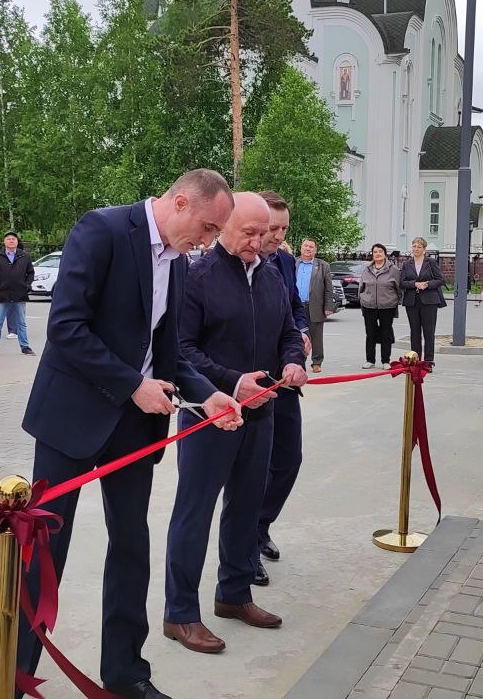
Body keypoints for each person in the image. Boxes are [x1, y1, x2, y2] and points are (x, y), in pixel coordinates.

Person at [17, 169, 242, 699]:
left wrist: (207, 392)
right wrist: (132, 385)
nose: (208, 242)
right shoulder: (101, 231)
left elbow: (167, 352)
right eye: (208, 228)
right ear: (181, 202)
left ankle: (125, 673)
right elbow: (66, 327)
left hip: (134, 427)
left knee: (131, 545)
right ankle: (17, 675)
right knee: (44, 547)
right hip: (71, 419)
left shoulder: (179, 262)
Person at [164, 192, 307, 656]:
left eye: (263, 233)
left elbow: (288, 331)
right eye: (248, 232)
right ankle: (180, 614)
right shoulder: (197, 277)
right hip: (210, 416)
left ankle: (234, 594)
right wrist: (228, 382)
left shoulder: (269, 276)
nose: (258, 241)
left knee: (246, 506)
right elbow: (180, 349)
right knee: (194, 511)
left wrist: (292, 361)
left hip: (261, 412)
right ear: (224, 225)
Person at [253, 190, 311, 587]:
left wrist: (302, 333)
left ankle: (260, 525)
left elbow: (295, 307)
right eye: (272, 228)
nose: (276, 236)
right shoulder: (241, 261)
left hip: (286, 380)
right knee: (250, 470)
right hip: (248, 384)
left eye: (283, 228)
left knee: (289, 460)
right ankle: (243, 546)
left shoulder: (286, 261)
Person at [0, 231, 35, 358]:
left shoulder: (24, 256)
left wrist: (27, 286)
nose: (11, 241)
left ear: (17, 241)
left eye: (13, 239)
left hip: (20, 293)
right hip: (3, 294)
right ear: (4, 242)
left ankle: (25, 346)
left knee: (21, 322)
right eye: (8, 239)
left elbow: (30, 273)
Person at [400, 237, 446, 366]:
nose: (416, 249)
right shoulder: (406, 264)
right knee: (414, 331)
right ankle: (415, 360)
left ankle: (428, 361)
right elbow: (402, 282)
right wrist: (415, 284)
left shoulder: (430, 262)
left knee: (429, 331)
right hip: (412, 301)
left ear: (424, 249)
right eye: (414, 246)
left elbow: (440, 280)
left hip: (429, 301)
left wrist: (427, 284)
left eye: (419, 247)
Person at [358, 242, 401, 369]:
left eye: (380, 252)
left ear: (385, 254)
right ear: (372, 254)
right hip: (369, 306)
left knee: (385, 333)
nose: (378, 254)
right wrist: (362, 299)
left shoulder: (393, 269)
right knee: (370, 333)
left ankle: (385, 360)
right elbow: (361, 286)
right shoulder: (367, 269)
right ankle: (370, 360)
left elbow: (398, 288)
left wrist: (395, 301)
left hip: (387, 306)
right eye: (375, 252)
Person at [295, 238, 334, 372]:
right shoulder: (293, 263)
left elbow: (329, 288)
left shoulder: (323, 266)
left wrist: (328, 307)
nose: (308, 248)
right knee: (296, 335)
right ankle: (298, 362)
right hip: (296, 306)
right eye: (305, 246)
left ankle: (317, 362)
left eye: (311, 247)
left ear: (315, 250)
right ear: (301, 247)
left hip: (315, 306)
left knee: (316, 337)